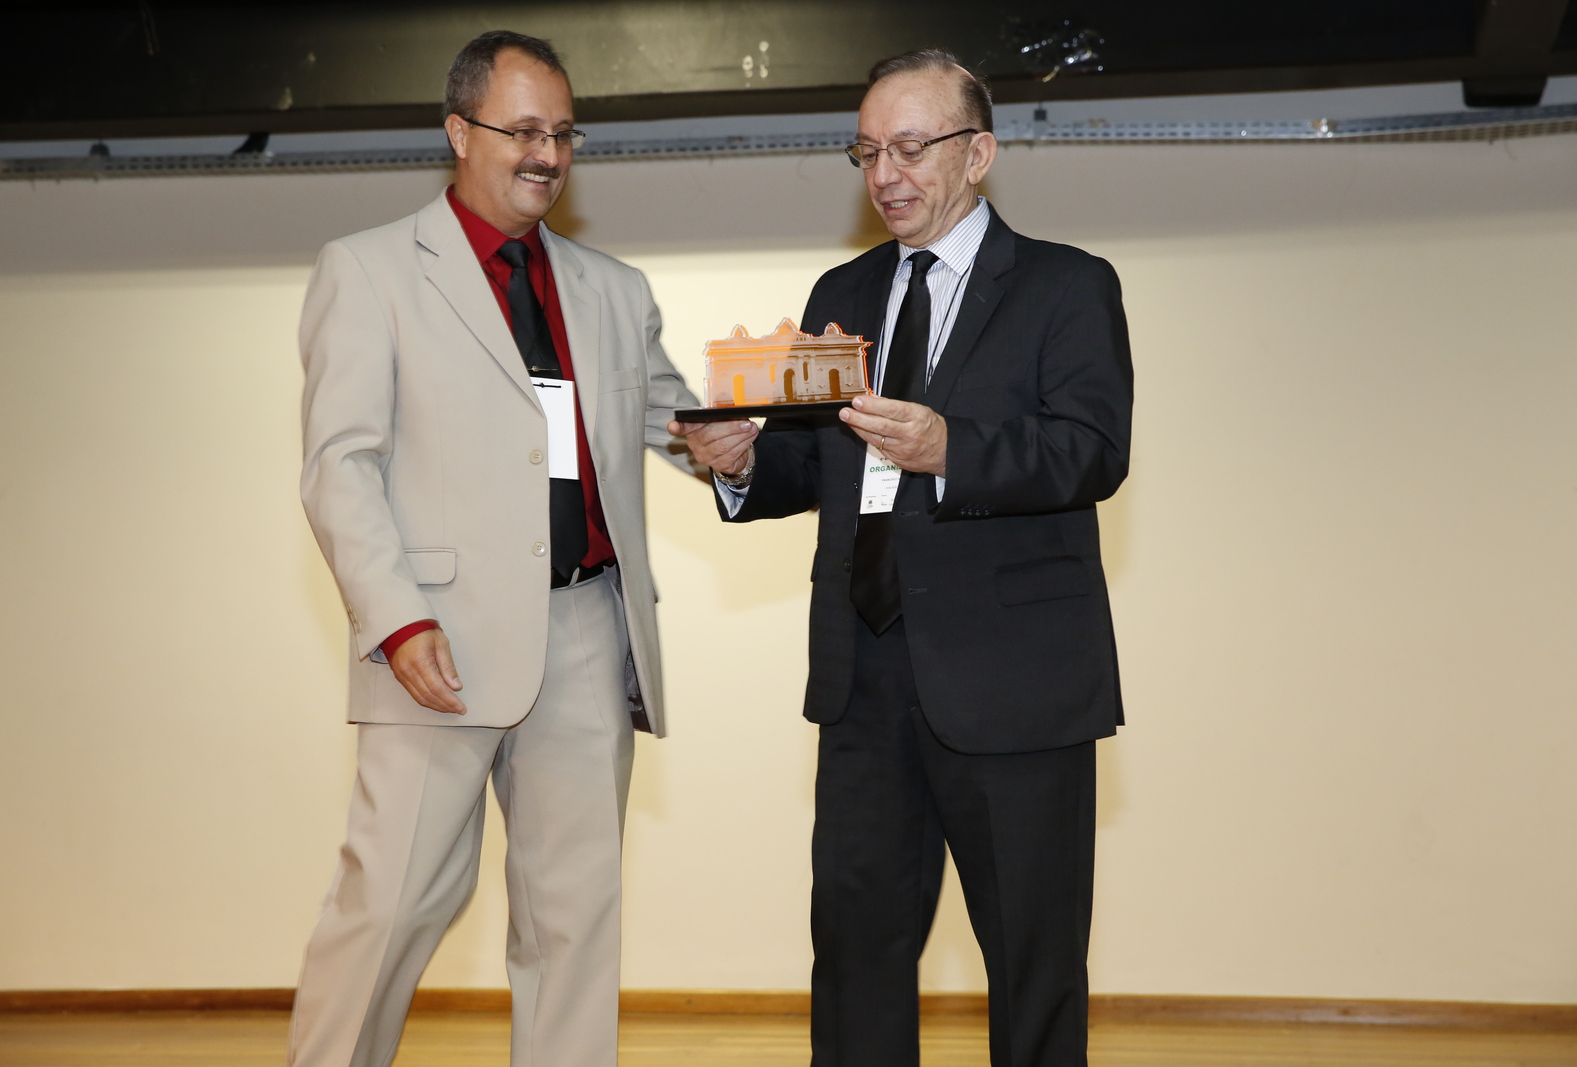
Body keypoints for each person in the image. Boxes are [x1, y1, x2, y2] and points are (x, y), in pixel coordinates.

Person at [671, 49, 1133, 1067]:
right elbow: (813, 463)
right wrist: (739, 462)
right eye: (868, 151)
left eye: (911, 148)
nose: (885, 174)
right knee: (854, 956)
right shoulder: (842, 289)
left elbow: (1093, 451)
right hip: (863, 675)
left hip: (1013, 685)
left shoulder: (1066, 284)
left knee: (1033, 963)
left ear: (979, 153)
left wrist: (951, 447)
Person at [290, 30, 697, 1067]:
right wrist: (398, 618)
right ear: (458, 132)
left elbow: (679, 423)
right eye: (522, 130)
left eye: (562, 133)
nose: (546, 154)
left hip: (588, 632)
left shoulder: (613, 288)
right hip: (437, 644)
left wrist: (746, 432)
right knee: (387, 909)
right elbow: (340, 465)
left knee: (573, 925)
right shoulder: (369, 270)